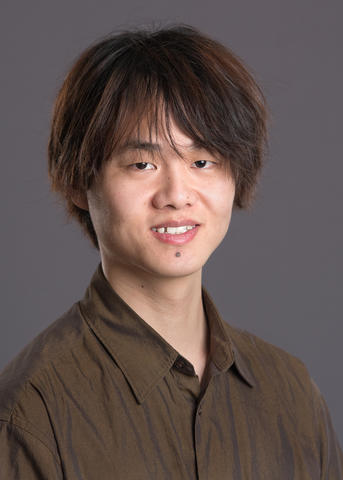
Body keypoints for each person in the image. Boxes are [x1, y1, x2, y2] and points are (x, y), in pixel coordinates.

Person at [0, 24, 342, 479]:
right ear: (79, 181)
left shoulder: (291, 393)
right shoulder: (31, 410)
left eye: (202, 161)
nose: (177, 194)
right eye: (143, 164)